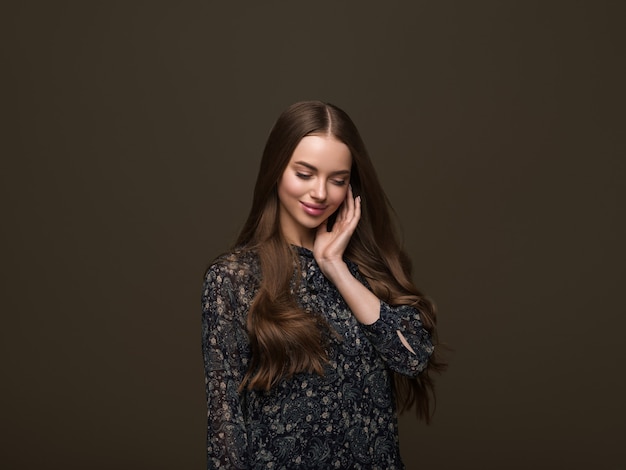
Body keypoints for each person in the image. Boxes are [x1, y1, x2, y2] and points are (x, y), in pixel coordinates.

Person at [201, 100, 445, 469]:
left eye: (337, 180)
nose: (320, 193)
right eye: (304, 174)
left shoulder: (362, 272)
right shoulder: (233, 279)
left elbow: (412, 358)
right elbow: (226, 430)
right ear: (276, 170)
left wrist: (334, 267)